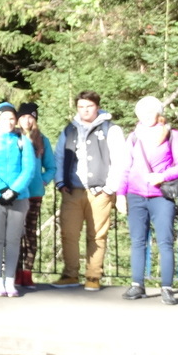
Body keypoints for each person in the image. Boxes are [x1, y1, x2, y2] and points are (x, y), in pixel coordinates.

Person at [118, 96, 178, 305]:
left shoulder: (172, 135)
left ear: (159, 113)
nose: (146, 115)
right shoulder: (134, 137)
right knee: (137, 241)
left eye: (151, 111)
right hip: (135, 195)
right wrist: (120, 194)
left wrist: (163, 176)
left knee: (165, 242)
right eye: (142, 112)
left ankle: (166, 288)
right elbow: (125, 167)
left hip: (161, 196)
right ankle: (137, 285)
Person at [53, 90, 127, 291]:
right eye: (81, 107)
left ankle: (93, 276)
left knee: (97, 235)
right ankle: (70, 274)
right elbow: (59, 156)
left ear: (97, 107)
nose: (85, 110)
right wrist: (60, 182)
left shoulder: (111, 129)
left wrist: (110, 188)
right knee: (68, 234)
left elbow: (119, 160)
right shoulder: (69, 130)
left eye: (89, 106)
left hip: (100, 192)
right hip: (72, 190)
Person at [0, 102, 37, 297]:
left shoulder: (23, 140)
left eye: (12, 118)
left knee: (13, 239)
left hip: (19, 197)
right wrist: (2, 189)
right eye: (4, 118)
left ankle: (9, 280)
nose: (9, 122)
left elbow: (29, 168)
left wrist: (14, 191)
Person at [15, 102, 55, 289]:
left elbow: (51, 167)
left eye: (30, 117)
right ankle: (14, 273)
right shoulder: (12, 137)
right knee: (15, 233)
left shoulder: (42, 140)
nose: (27, 120)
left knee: (30, 233)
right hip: (16, 193)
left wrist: (43, 180)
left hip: (34, 193)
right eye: (23, 117)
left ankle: (27, 273)